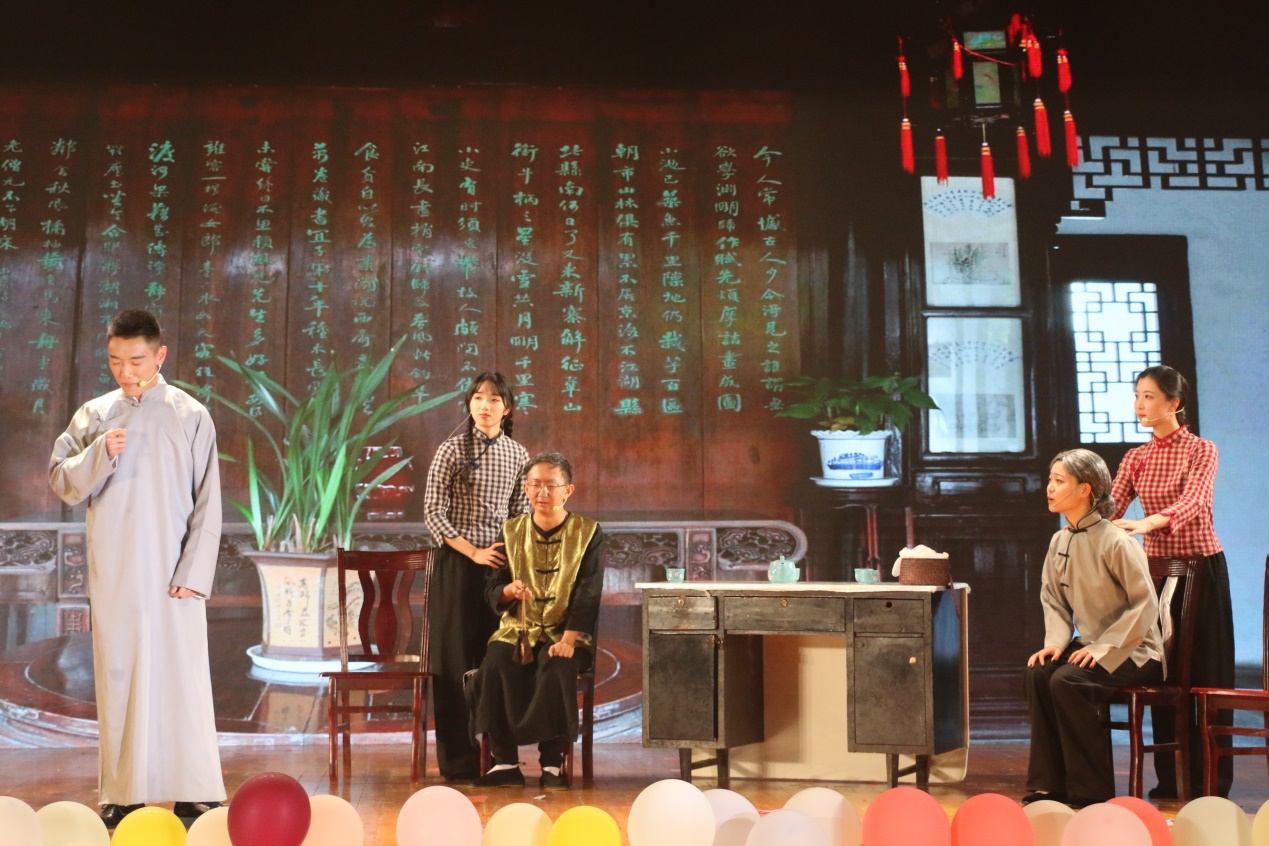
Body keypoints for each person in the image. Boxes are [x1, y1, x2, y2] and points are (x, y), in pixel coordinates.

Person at [48, 310, 225, 828]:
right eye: (115, 361)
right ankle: (123, 794)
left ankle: (195, 791)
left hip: (174, 572)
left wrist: (194, 571)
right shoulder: (95, 415)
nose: (126, 372)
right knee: (119, 676)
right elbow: (62, 481)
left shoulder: (190, 414)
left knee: (183, 677)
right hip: (117, 568)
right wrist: (99, 453)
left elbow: (209, 500)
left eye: (137, 360)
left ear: (160, 355)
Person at [1110, 364, 1235, 798]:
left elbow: (1195, 501)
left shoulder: (1201, 449)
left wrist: (1148, 523)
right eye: (1137, 396)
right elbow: (1110, 506)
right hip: (1157, 574)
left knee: (1204, 672)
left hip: (1201, 569)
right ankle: (1171, 780)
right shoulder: (1136, 457)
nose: (1139, 405)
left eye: (1148, 396)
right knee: (1162, 672)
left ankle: (1211, 783)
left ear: (1174, 402)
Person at [1023, 448, 1164, 808]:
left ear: (1085, 489)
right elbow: (1053, 599)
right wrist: (1057, 643)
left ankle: (1090, 791)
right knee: (1041, 672)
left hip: (1136, 650)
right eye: (1050, 480)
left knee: (1067, 680)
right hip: (1089, 644)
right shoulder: (1059, 540)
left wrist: (1104, 648)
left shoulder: (1116, 540)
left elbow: (1144, 604)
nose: (1049, 488)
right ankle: (1048, 785)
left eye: (1059, 481)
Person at [421, 372, 531, 782]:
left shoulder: (518, 454)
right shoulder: (451, 449)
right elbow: (433, 512)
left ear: (507, 408)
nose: (485, 405)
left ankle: (498, 759)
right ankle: (459, 763)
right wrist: (472, 551)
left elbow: (520, 515)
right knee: (453, 664)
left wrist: (507, 561)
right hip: (456, 564)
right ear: (469, 404)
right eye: (479, 398)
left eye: (494, 399)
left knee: (495, 661)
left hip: (498, 568)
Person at [472, 451, 603, 790]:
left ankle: (552, 764)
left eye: (551, 485)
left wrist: (569, 640)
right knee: (496, 663)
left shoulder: (588, 532)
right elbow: (493, 586)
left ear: (568, 490)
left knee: (556, 667)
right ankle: (505, 763)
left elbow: (588, 592)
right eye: (535, 485)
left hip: (566, 633)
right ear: (525, 489)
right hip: (518, 630)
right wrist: (508, 592)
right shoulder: (510, 530)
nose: (542, 492)